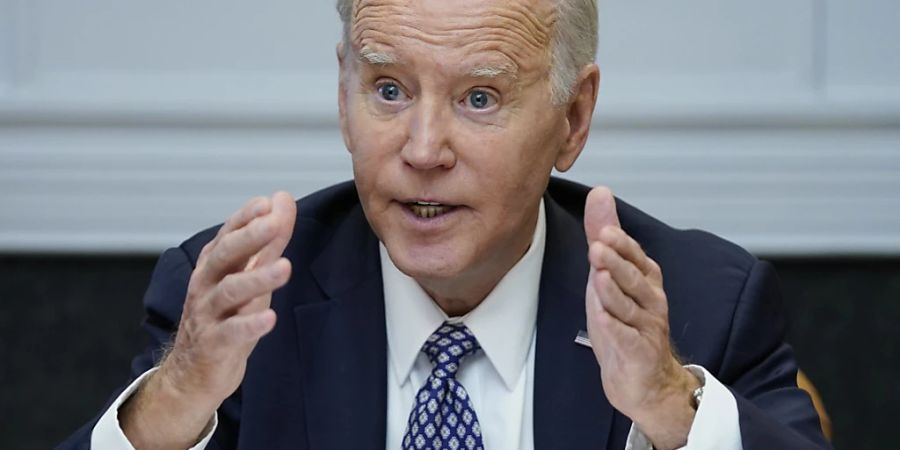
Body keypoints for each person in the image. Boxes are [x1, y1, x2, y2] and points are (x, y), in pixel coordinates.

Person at [59, 0, 831, 449]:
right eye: (389, 90)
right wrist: (173, 404)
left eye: (480, 99)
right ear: (342, 93)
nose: (423, 151)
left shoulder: (704, 300)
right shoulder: (240, 306)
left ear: (573, 117)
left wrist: (668, 404)